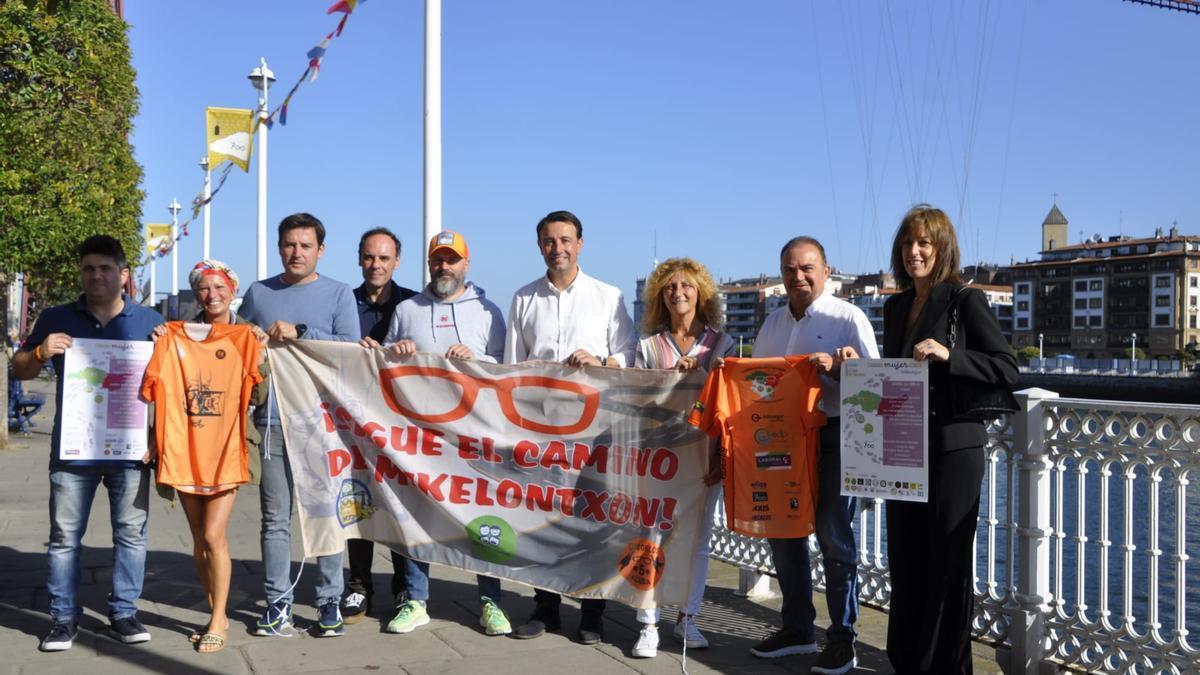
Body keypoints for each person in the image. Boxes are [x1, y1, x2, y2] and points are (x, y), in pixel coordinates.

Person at [882, 205, 1017, 674]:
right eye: (907, 243)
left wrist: (948, 354)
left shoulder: (965, 299)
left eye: (924, 243)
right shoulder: (895, 305)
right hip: (902, 448)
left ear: (942, 249)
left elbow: (1005, 367)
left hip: (953, 449)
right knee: (905, 557)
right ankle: (907, 661)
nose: (914, 251)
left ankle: (948, 667)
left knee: (947, 563)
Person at [13, 235, 164, 652]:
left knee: (132, 534)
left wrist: (157, 437)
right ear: (81, 273)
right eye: (88, 269)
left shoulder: (151, 322)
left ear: (123, 274)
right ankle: (62, 619)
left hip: (131, 449)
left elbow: (168, 386)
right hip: (73, 449)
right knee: (64, 537)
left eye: (105, 268)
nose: (96, 275)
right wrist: (41, 351)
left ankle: (124, 612)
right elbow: (19, 369)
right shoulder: (56, 317)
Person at [504, 210, 636, 644]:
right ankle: (546, 608)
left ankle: (593, 612)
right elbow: (509, 369)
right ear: (538, 245)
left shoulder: (608, 296)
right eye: (548, 241)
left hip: (595, 432)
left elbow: (629, 354)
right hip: (540, 431)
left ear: (580, 244)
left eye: (565, 240)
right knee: (543, 522)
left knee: (591, 521)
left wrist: (602, 362)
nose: (557, 248)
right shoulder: (524, 299)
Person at [749, 236, 878, 675]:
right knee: (783, 533)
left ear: (826, 270)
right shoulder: (771, 325)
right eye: (789, 269)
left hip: (836, 436)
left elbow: (878, 388)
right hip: (783, 440)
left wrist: (844, 368)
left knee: (835, 538)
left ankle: (843, 639)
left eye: (807, 268)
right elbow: (757, 386)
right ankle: (798, 628)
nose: (798, 277)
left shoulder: (849, 316)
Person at [377, 230, 510, 636]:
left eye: (452, 259)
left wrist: (480, 357)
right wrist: (394, 352)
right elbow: (381, 363)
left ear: (466, 264)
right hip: (420, 437)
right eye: (438, 259)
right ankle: (416, 601)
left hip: (474, 436)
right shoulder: (408, 309)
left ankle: (491, 602)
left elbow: (508, 370)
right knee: (417, 516)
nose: (444, 266)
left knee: (483, 519)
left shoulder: (488, 312)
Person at [238, 213, 361, 638]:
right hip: (271, 421)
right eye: (290, 245)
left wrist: (302, 331)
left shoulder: (339, 294)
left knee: (326, 514)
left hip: (321, 424)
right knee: (275, 519)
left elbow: (351, 349)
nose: (297, 252)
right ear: (280, 247)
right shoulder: (258, 293)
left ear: (320, 250)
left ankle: (329, 602)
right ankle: (277, 604)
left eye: (305, 246)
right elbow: (236, 344)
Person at [143, 260, 268, 653]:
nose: (211, 295)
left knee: (215, 535)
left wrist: (261, 356)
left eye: (219, 287)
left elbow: (259, 396)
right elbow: (152, 388)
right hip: (184, 447)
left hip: (227, 448)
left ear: (232, 290)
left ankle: (217, 621)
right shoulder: (172, 336)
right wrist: (158, 339)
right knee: (199, 539)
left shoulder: (247, 336)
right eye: (203, 288)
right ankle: (218, 611)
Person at [629, 258, 733, 659]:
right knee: (651, 538)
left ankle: (688, 617)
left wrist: (705, 373)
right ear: (660, 298)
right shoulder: (647, 347)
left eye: (687, 286)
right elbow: (638, 403)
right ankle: (648, 623)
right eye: (669, 288)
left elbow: (728, 397)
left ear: (701, 292)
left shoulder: (721, 343)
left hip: (704, 457)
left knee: (698, 542)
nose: (678, 293)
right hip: (659, 459)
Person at [340, 227, 417, 625]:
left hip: (398, 422)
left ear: (396, 261)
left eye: (384, 258)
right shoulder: (343, 303)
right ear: (359, 258)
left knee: (402, 504)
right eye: (370, 257)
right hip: (354, 418)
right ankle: (358, 584)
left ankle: (405, 584)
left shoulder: (413, 305)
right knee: (358, 500)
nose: (376, 265)